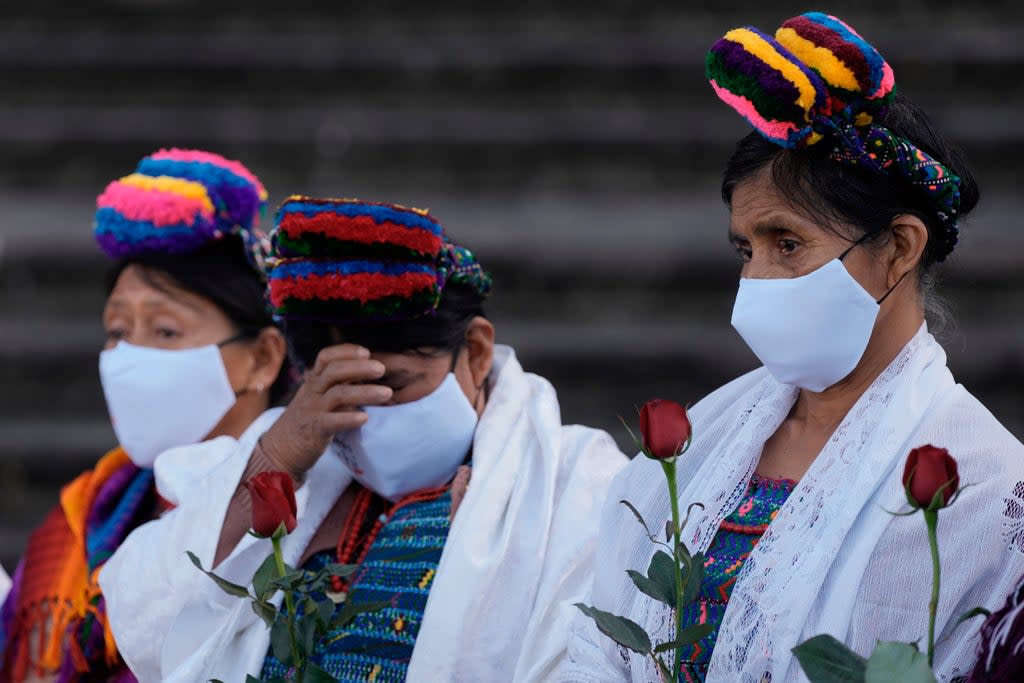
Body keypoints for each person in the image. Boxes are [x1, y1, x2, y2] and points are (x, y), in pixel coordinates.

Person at [559, 12, 1024, 682]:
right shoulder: (710, 444)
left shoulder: (986, 489)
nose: (756, 280)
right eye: (747, 250)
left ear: (897, 249)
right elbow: (598, 642)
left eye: (788, 244)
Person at [99, 196, 628, 682]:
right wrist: (274, 460)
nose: (367, 416)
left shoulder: (574, 480)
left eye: (393, 385)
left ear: (476, 351)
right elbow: (146, 621)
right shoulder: (291, 450)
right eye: (339, 393)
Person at [0, 149, 289, 683]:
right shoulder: (88, 511)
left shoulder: (305, 510)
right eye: (117, 331)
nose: (130, 359)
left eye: (165, 332)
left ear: (264, 358)